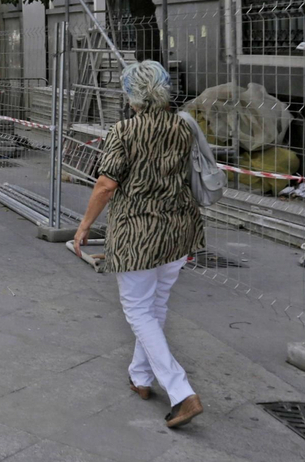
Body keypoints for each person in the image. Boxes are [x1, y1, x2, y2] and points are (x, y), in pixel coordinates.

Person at [73, 60, 206, 430]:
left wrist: (85, 225)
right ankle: (141, 377)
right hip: (178, 229)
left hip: (138, 235)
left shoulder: (124, 130)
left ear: (131, 93)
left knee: (137, 310)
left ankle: (181, 392)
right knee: (155, 306)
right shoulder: (184, 127)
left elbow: (106, 184)